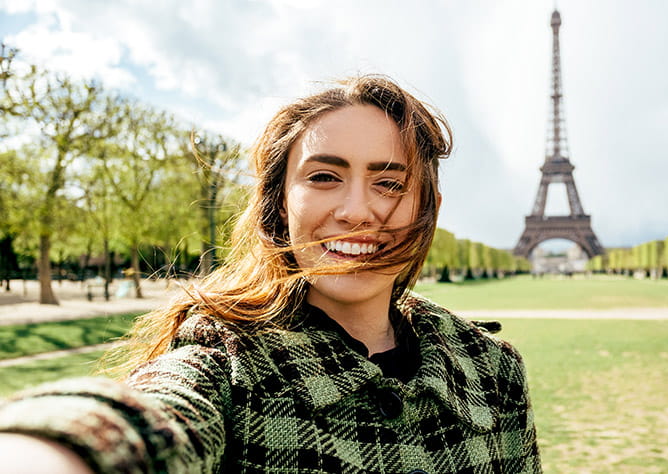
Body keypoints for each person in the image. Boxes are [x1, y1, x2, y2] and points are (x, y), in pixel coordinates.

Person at [0, 75, 541, 473]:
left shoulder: (493, 370)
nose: (356, 210)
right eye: (325, 176)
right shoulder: (226, 367)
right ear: (280, 203)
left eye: (390, 183)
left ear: (431, 206)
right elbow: (156, 414)